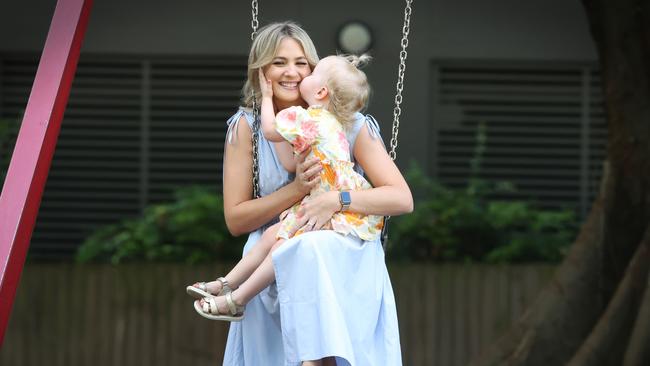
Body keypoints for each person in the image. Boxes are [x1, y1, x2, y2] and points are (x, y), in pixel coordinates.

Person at [190, 21, 412, 366]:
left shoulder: (349, 123)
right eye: (279, 63)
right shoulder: (249, 127)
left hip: (335, 258)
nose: (291, 72)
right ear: (262, 71)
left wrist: (337, 199)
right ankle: (232, 289)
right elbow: (236, 219)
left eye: (301, 63)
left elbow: (400, 197)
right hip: (270, 260)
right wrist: (297, 191)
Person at [188, 53, 385, 322]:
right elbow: (292, 164)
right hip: (326, 202)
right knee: (270, 236)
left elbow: (269, 131)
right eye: (280, 63)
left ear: (320, 90)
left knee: (281, 244)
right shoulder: (332, 122)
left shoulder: (307, 118)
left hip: (326, 208)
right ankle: (226, 283)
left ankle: (237, 298)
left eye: (310, 70)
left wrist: (267, 98)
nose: (298, 74)